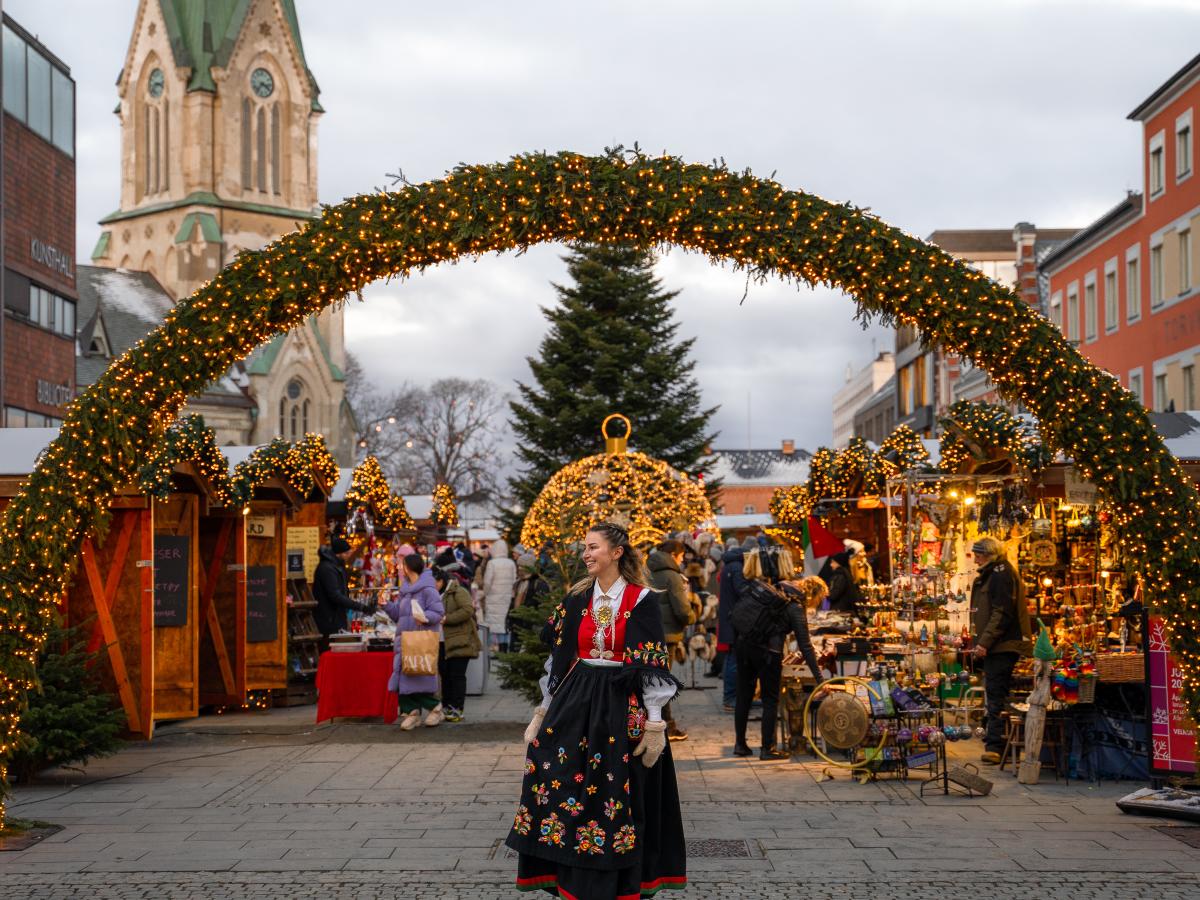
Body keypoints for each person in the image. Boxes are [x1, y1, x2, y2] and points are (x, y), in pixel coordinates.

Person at [506, 522, 686, 899]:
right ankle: (569, 876)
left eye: (593, 548)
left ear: (616, 552)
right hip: (575, 700)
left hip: (620, 704)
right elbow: (559, 661)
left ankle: (616, 882)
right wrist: (543, 710)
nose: (586, 554)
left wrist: (655, 724)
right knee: (556, 777)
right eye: (584, 548)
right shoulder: (577, 599)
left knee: (613, 792)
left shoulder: (641, 599)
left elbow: (652, 667)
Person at [731, 547, 824, 760]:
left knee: (743, 696)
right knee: (770, 699)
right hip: (768, 653)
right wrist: (820, 679)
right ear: (813, 595)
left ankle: (740, 745)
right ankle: (767, 748)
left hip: (744, 645)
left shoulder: (776, 589)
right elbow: (805, 645)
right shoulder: (794, 606)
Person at [969, 537, 1032, 765]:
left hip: (1003, 645)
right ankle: (996, 741)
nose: (975, 558)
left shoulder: (1000, 573)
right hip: (998, 644)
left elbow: (1001, 612)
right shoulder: (993, 573)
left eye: (978, 554)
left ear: (988, 554)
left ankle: (995, 746)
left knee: (996, 694)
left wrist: (984, 642)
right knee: (994, 692)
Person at [383, 554, 446, 730]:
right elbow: (398, 614)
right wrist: (386, 605)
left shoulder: (428, 589)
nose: (400, 569)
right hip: (404, 641)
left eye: (402, 565)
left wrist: (425, 618)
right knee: (403, 678)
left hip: (419, 640)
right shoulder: (405, 589)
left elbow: (438, 612)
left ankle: (434, 708)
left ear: (408, 567)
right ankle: (413, 712)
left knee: (417, 677)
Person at [648, 538, 698, 742]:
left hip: (649, 634)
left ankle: (658, 722)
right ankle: (666, 725)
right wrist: (693, 615)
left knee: (655, 679)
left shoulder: (647, 572)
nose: (681, 560)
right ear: (674, 555)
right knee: (663, 681)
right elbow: (682, 610)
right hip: (668, 636)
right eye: (680, 556)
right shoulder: (673, 576)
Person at [434, 565, 481, 723]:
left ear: (441, 580)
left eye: (434, 583)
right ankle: (447, 706)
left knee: (457, 675)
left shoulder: (458, 591)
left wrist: (447, 618)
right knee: (445, 675)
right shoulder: (436, 593)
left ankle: (457, 709)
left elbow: (468, 610)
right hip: (441, 642)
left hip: (460, 641)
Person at [312, 537, 373, 639]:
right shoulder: (327, 568)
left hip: (335, 616)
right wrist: (360, 607)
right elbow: (335, 595)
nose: (349, 555)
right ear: (339, 554)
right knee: (329, 648)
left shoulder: (336, 566)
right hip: (329, 618)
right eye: (347, 553)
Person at [717, 537, 747, 710]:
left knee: (732, 658)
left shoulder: (730, 566)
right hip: (734, 621)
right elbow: (742, 591)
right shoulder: (737, 568)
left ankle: (731, 697)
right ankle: (730, 698)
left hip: (730, 619)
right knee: (733, 660)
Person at [482, 538, 517, 653]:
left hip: (493, 597)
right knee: (504, 623)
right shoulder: (511, 563)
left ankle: (493, 648)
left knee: (492, 624)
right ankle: (503, 648)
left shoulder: (492, 563)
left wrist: (485, 593)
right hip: (506, 597)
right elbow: (514, 580)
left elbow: (487, 582)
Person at [825, 550, 863, 615]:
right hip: (845, 609)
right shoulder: (846, 574)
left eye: (833, 562)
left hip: (841, 611)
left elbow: (833, 595)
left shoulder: (840, 576)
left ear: (839, 563)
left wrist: (824, 593)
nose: (831, 565)